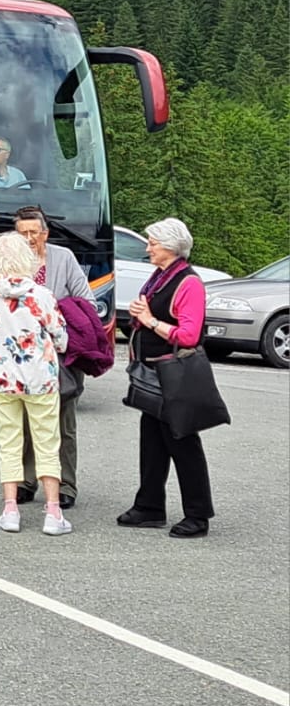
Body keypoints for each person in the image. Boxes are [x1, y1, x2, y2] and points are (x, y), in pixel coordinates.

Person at [119, 218, 215, 538]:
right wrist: (140, 316)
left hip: (174, 375)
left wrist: (148, 320)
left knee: (182, 441)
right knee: (152, 441)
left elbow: (189, 335)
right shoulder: (160, 276)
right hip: (153, 373)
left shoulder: (189, 283)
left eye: (153, 243)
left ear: (172, 247)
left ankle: (198, 515)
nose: (147, 248)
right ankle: (149, 506)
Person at [12, 206, 110, 509]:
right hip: (25, 354)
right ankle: (26, 481)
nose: (29, 239)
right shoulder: (11, 260)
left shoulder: (63, 258)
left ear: (45, 233)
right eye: (22, 233)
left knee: (64, 424)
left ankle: (66, 484)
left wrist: (54, 314)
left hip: (62, 354)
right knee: (25, 421)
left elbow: (87, 302)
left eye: (34, 232)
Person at [0, 231, 72, 535]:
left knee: (8, 442)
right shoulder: (41, 295)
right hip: (39, 378)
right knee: (47, 441)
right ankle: (53, 512)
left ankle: (10, 510)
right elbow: (61, 337)